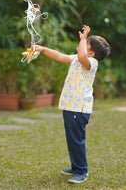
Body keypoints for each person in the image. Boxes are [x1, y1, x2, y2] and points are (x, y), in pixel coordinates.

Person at [32, 25, 111, 184]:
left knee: (77, 140)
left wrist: (83, 39)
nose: (81, 42)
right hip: (69, 106)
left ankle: (82, 171)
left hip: (79, 108)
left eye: (86, 43)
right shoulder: (76, 59)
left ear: (91, 53)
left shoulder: (91, 63)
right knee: (71, 139)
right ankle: (76, 167)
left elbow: (83, 57)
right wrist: (42, 49)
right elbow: (60, 56)